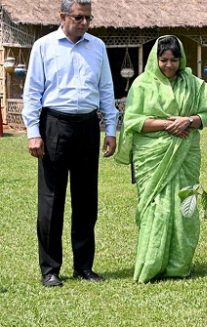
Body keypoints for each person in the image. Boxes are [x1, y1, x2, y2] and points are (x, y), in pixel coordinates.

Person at [22, 0, 119, 287]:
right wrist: (33, 131)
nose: (84, 23)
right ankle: (50, 269)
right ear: (62, 16)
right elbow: (33, 91)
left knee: (86, 199)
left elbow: (106, 89)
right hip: (54, 124)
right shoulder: (44, 46)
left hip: (88, 125)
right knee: (51, 200)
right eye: (79, 17)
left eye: (88, 18)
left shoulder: (97, 47)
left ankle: (84, 266)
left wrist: (110, 129)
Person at [115, 35, 207, 283]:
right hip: (152, 156)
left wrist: (189, 121)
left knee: (184, 210)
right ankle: (151, 265)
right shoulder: (142, 84)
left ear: (180, 60)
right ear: (156, 59)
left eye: (173, 60)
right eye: (163, 60)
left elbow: (205, 115)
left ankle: (178, 265)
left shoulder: (192, 83)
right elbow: (133, 121)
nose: (169, 65)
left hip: (185, 155)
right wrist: (168, 124)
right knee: (156, 209)